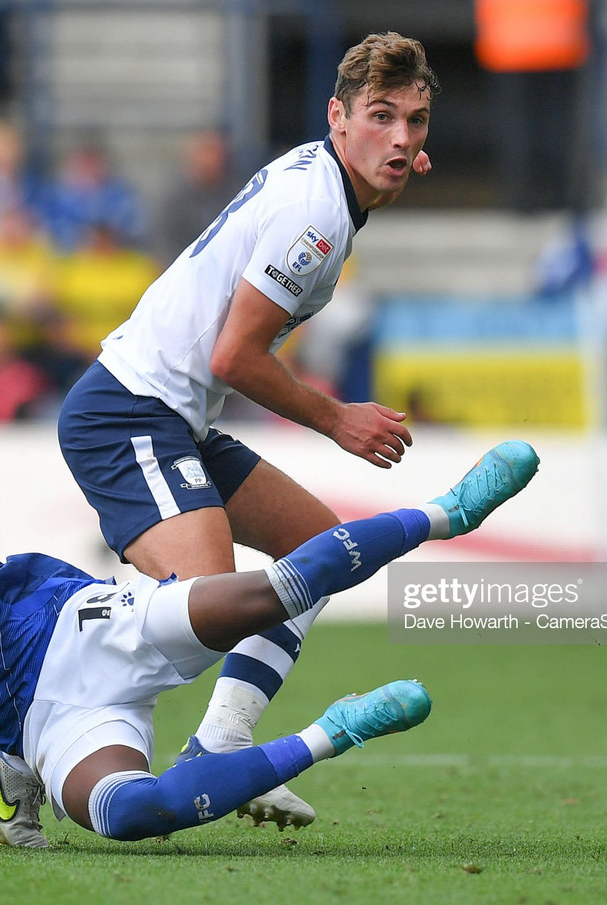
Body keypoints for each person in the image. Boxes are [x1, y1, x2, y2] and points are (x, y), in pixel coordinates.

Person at [0, 426, 537, 854]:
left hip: (72, 627)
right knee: (132, 814)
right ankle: (339, 730)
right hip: (45, 723)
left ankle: (447, 512)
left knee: (271, 592)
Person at [56, 31, 437, 829]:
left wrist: (383, 171)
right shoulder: (320, 216)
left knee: (316, 555)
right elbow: (234, 354)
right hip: (129, 409)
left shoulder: (331, 180)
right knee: (208, 609)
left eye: (416, 122)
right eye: (381, 118)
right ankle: (21, 736)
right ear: (338, 118)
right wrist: (337, 419)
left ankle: (223, 739)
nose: (401, 139)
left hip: (172, 416)